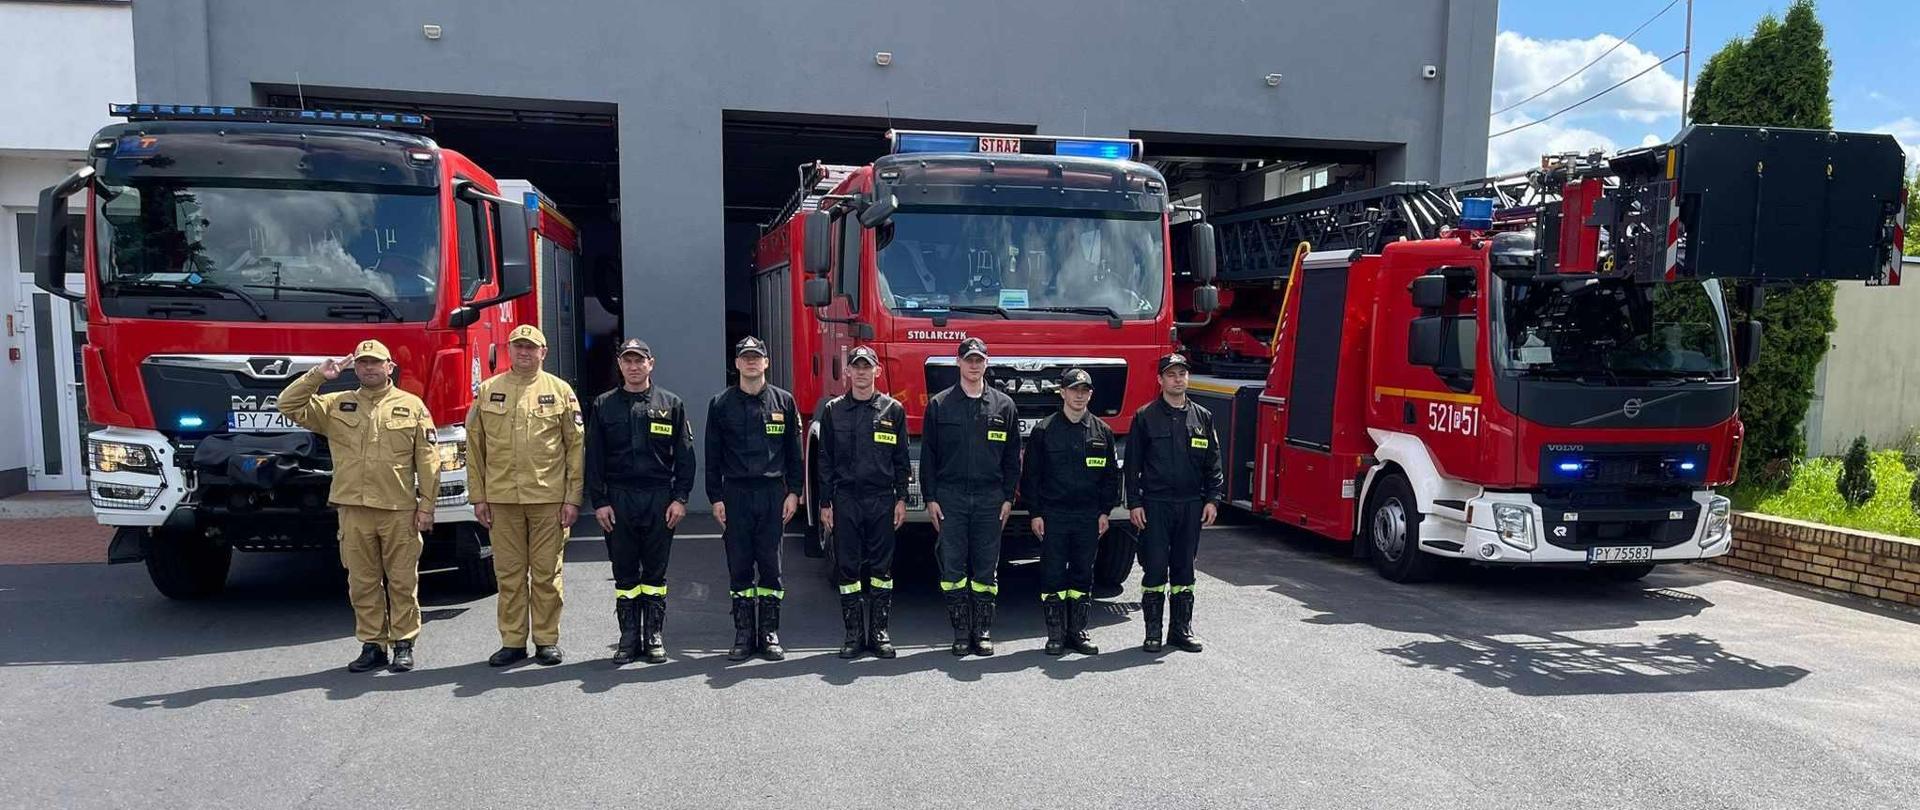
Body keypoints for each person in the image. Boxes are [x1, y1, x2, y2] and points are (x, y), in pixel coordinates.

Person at [276, 339, 438, 673]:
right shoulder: (337, 405)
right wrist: (318, 376)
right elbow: (287, 405)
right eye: (362, 363)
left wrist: (427, 506)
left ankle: (403, 643)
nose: (368, 368)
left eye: (375, 362)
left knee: (402, 581)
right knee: (362, 581)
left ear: (389, 366)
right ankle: (373, 645)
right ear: (356, 367)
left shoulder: (412, 406)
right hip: (353, 509)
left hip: (398, 509)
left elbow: (428, 460)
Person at [467, 325, 585, 667]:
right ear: (510, 350)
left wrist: (572, 498)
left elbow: (575, 448)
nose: (524, 353)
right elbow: (474, 450)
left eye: (531, 348)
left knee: (547, 574)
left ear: (543, 353)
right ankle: (513, 641)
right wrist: (479, 497)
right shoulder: (488, 391)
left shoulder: (560, 392)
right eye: (518, 347)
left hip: (548, 499)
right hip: (502, 500)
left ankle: (547, 640)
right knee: (509, 575)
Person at [585, 338, 695, 665]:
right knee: (625, 574)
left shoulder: (670, 403)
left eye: (639, 360)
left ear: (651, 363)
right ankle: (629, 637)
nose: (633, 367)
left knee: (656, 573)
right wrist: (600, 501)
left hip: (659, 498)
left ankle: (654, 636)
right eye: (627, 361)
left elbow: (686, 457)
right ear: (619, 364)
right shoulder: (603, 405)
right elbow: (594, 459)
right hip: (618, 500)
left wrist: (680, 498)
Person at [922, 337, 1022, 656]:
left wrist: (1008, 497)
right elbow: (929, 456)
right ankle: (961, 631)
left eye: (979, 359)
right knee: (952, 569)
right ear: (958, 363)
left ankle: (982, 630)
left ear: (986, 363)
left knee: (985, 571)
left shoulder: (1004, 406)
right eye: (969, 359)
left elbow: (1011, 457)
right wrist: (930, 498)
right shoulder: (939, 405)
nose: (974, 364)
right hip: (950, 497)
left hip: (990, 498)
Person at [706, 336, 804, 662]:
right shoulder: (720, 404)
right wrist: (715, 498)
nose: (751, 362)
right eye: (745, 357)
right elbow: (713, 455)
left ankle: (770, 632)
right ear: (736, 364)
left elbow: (794, 452)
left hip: (772, 494)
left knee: (771, 567)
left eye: (756, 357)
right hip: (735, 494)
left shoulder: (784, 402)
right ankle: (744, 634)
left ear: (766, 362)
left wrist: (795, 492)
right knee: (739, 567)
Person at [1123, 352, 1224, 653]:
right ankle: (1152, 632)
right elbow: (1132, 465)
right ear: (1160, 380)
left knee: (1184, 570)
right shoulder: (1145, 417)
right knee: (1154, 568)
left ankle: (1181, 630)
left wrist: (1213, 499)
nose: (1177, 379)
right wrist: (1134, 503)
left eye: (1182, 373)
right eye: (1171, 374)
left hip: (1191, 505)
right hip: (1155, 505)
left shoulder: (1203, 417)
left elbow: (1213, 463)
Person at [815, 346, 910, 659]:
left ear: (877, 372)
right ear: (848, 372)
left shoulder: (893, 410)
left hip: (882, 498)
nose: (861, 372)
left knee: (882, 569)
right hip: (846, 499)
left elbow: (901, 459)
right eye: (856, 367)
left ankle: (880, 633)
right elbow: (824, 460)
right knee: (848, 569)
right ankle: (854, 634)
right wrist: (825, 503)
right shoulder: (833, 411)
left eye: (867, 367)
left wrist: (901, 498)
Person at [1021, 368, 1120, 656]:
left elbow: (1110, 477)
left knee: (1081, 575)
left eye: (1084, 390)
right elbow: (1032, 477)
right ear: (1062, 393)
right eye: (1073, 390)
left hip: (1089, 517)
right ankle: (1055, 634)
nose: (1079, 395)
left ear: (1090, 394)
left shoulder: (1103, 431)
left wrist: (1105, 511)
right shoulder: (1044, 430)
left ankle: (1077, 632)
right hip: (1054, 515)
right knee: (1052, 574)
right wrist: (1035, 513)